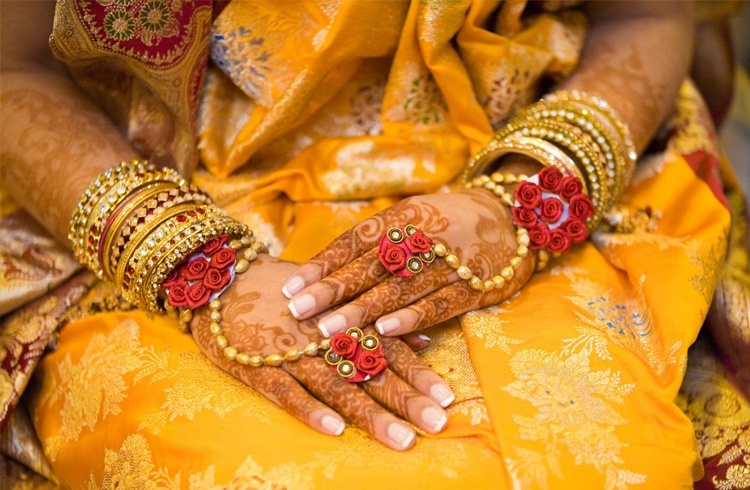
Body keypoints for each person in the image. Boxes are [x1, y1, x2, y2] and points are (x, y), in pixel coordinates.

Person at [0, 0, 732, 487]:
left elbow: (646, 12)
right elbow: (12, 68)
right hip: (155, 182)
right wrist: (191, 262)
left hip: (513, 161)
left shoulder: (523, 194)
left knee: (612, 459)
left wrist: (524, 199)